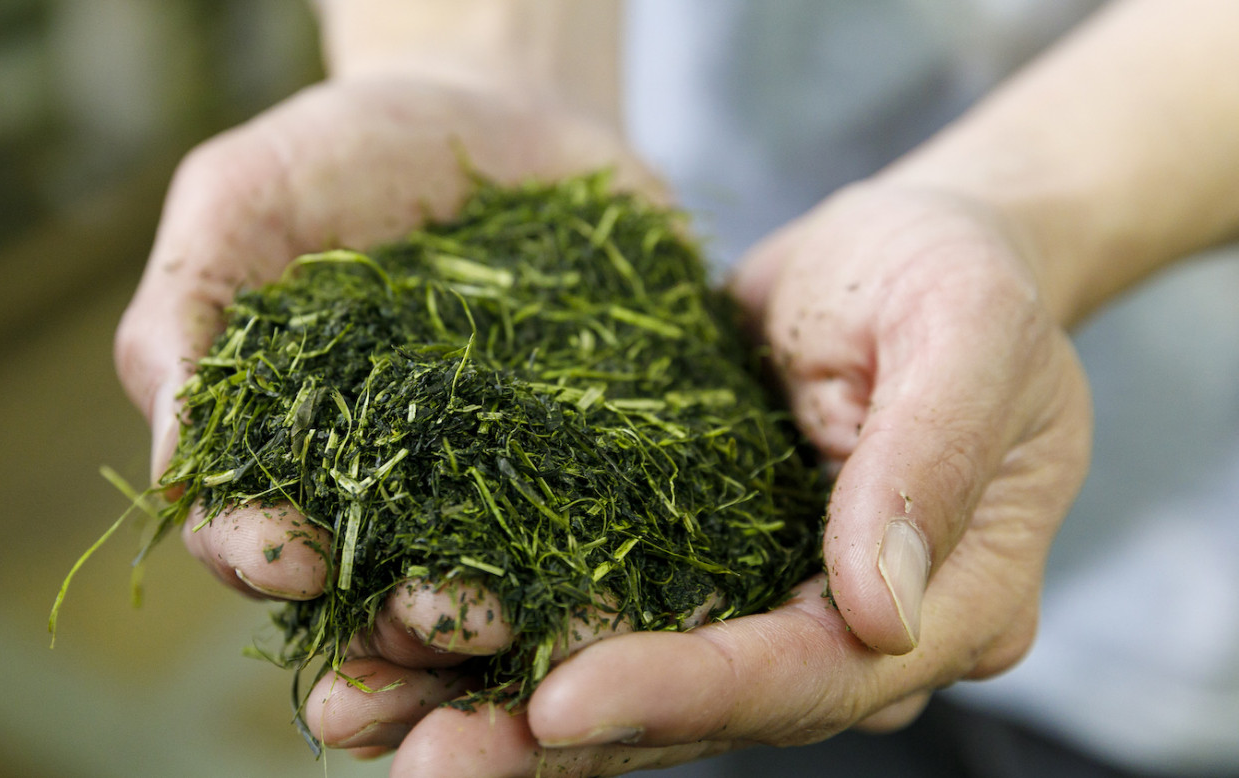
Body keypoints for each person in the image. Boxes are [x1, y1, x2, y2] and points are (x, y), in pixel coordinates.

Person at [113, 1, 1239, 776]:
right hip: (769, 370)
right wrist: (475, 60)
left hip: (1186, 505)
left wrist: (1025, 216)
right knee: (648, 705)